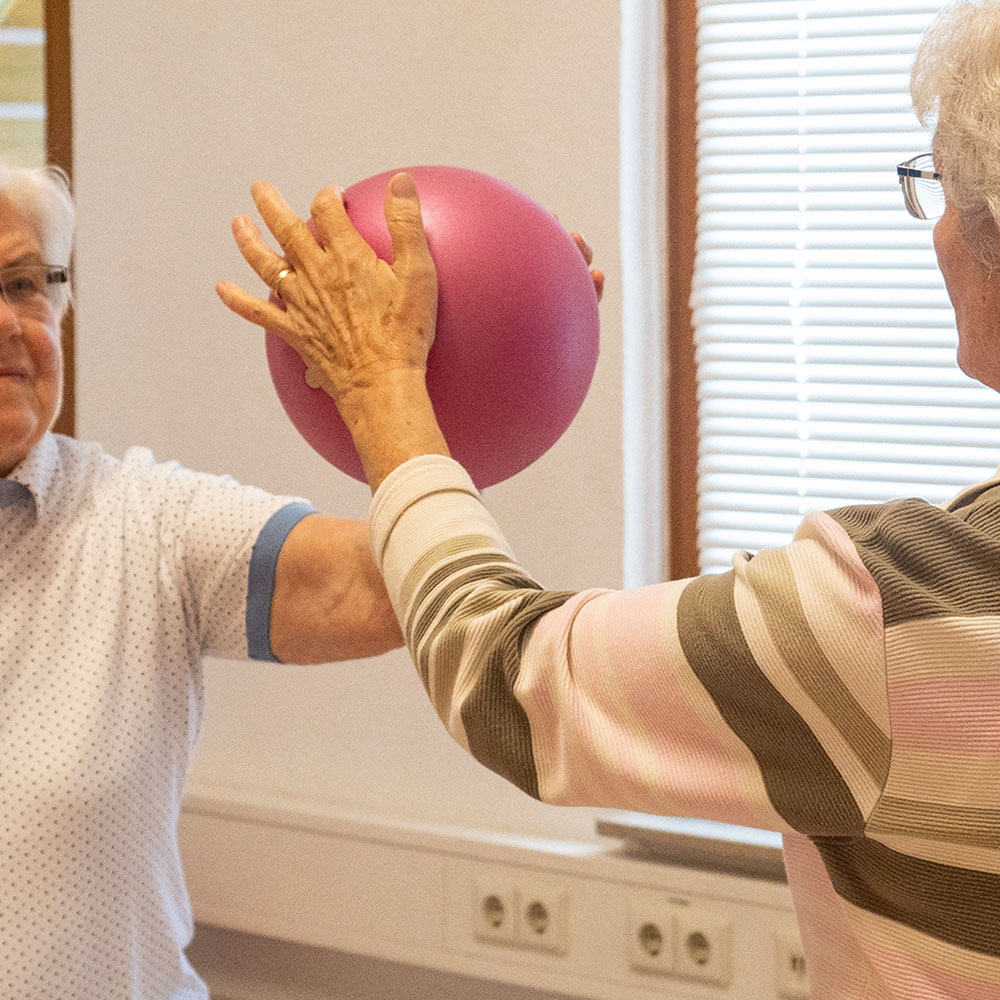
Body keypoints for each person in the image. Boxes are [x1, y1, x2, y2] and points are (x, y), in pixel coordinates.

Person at [218, 2, 1000, 997]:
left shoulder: (893, 618)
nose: (935, 231)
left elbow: (509, 681)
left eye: (942, 187)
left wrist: (382, 388)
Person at [0, 161, 408, 998]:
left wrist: (455, 387)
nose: (7, 322)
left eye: (24, 285)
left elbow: (392, 585)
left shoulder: (141, 522)